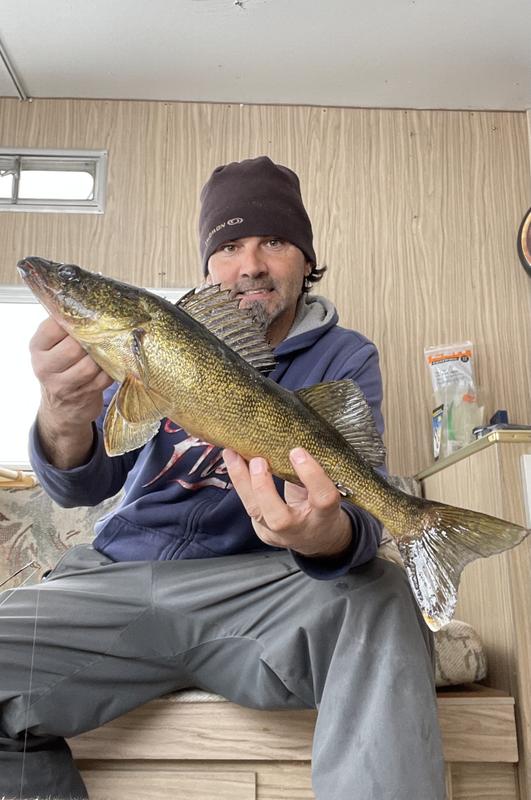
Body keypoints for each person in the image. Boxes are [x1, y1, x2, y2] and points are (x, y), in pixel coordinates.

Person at [0, 156, 446, 799]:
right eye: (229, 246)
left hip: (259, 594)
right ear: (208, 266)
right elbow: (80, 484)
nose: (251, 264)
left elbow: (361, 518)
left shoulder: (345, 355)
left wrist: (322, 536)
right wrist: (63, 412)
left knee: (379, 596)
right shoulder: (151, 339)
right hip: (116, 581)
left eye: (275, 241)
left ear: (306, 257)